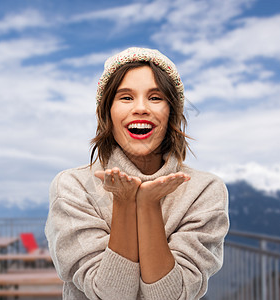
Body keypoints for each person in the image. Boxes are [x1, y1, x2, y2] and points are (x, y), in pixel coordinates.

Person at [45, 47, 229, 300]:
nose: (141, 108)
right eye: (126, 98)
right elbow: (109, 294)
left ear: (171, 112)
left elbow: (170, 297)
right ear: (107, 113)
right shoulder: (72, 186)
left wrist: (147, 206)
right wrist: (124, 202)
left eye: (155, 98)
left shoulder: (205, 190)